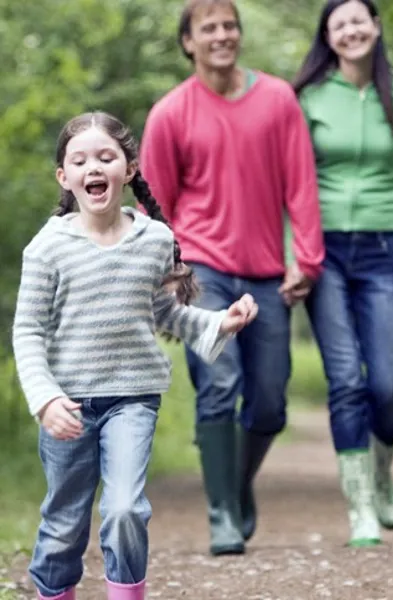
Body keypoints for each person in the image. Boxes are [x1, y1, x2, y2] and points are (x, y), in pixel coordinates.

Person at [12, 112, 258, 600]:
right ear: (64, 176)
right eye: (79, 160)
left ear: (127, 169)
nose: (93, 168)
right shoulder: (47, 248)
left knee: (125, 509)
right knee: (64, 524)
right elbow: (28, 330)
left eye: (106, 157)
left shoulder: (155, 240)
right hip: (68, 407)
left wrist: (217, 322)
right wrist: (44, 399)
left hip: (133, 398)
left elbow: (164, 312)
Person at [139, 0, 324, 556]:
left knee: (269, 402)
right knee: (219, 385)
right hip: (202, 270)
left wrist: (305, 259)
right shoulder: (170, 113)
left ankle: (236, 485)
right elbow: (154, 206)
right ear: (189, 42)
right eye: (209, 28)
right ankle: (221, 512)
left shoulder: (278, 100)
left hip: (267, 272)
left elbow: (301, 184)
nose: (222, 35)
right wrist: (167, 274)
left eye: (229, 26)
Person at [288, 0, 393, 547]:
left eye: (358, 21)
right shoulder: (310, 98)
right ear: (328, 36)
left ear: (376, 27)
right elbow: (292, 181)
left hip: (381, 250)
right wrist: (294, 252)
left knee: (387, 384)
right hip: (323, 255)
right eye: (338, 24)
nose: (350, 31)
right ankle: (360, 507)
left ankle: (383, 472)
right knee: (346, 380)